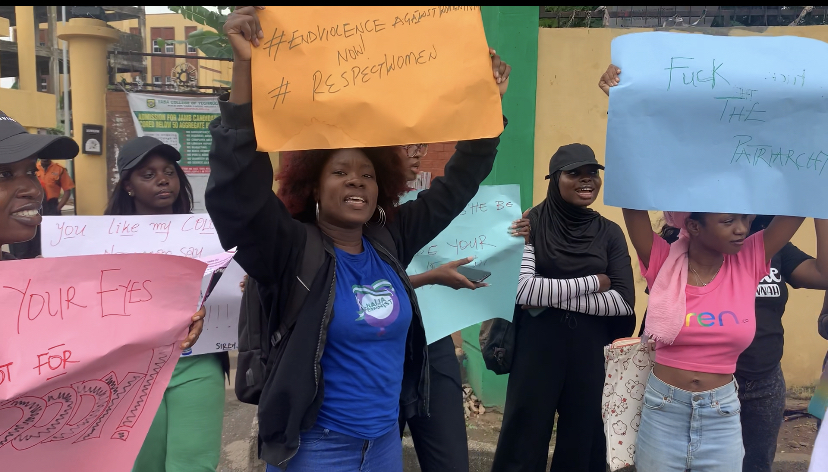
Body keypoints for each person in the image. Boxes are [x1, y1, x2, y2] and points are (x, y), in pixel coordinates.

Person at [206, 6, 509, 471]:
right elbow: (237, 194)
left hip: (385, 443)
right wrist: (244, 67)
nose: (356, 182)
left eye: (367, 175)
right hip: (315, 450)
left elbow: (458, 184)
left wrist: (487, 106)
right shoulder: (290, 250)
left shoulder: (390, 241)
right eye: (341, 172)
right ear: (312, 185)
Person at [600, 65, 828, 471]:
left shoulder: (750, 260)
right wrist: (620, 112)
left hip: (724, 413)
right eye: (728, 221)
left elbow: (798, 205)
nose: (743, 228)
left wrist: (813, 135)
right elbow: (631, 197)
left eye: (743, 218)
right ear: (693, 225)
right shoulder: (663, 261)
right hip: (662, 409)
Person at [491, 144, 636, 472]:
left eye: (593, 174)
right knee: (524, 435)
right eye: (575, 173)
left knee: (584, 438)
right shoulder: (528, 223)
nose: (587, 181)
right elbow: (522, 290)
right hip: (536, 347)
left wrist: (546, 294)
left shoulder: (609, 232)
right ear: (555, 179)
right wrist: (594, 283)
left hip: (589, 350)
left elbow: (623, 301)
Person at [106, 135, 224, 472]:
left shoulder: (208, 234)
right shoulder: (102, 240)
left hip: (196, 363)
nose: (162, 179)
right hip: (132, 371)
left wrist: (245, 284)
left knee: (194, 465)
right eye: (148, 174)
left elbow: (229, 291)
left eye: (169, 171)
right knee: (144, 465)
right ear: (127, 185)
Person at [397, 142, 486, 472]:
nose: (417, 153)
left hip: (432, 346)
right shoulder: (351, 218)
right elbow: (355, 289)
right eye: (406, 145)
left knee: (450, 462)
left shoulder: (413, 213)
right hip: (378, 355)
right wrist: (429, 278)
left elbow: (460, 182)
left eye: (419, 144)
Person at [7, 152, 75, 259]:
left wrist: (57, 208)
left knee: (47, 241)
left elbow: (67, 190)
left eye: (33, 174)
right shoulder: (32, 167)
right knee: (24, 246)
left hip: (51, 207)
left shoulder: (59, 170)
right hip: (31, 206)